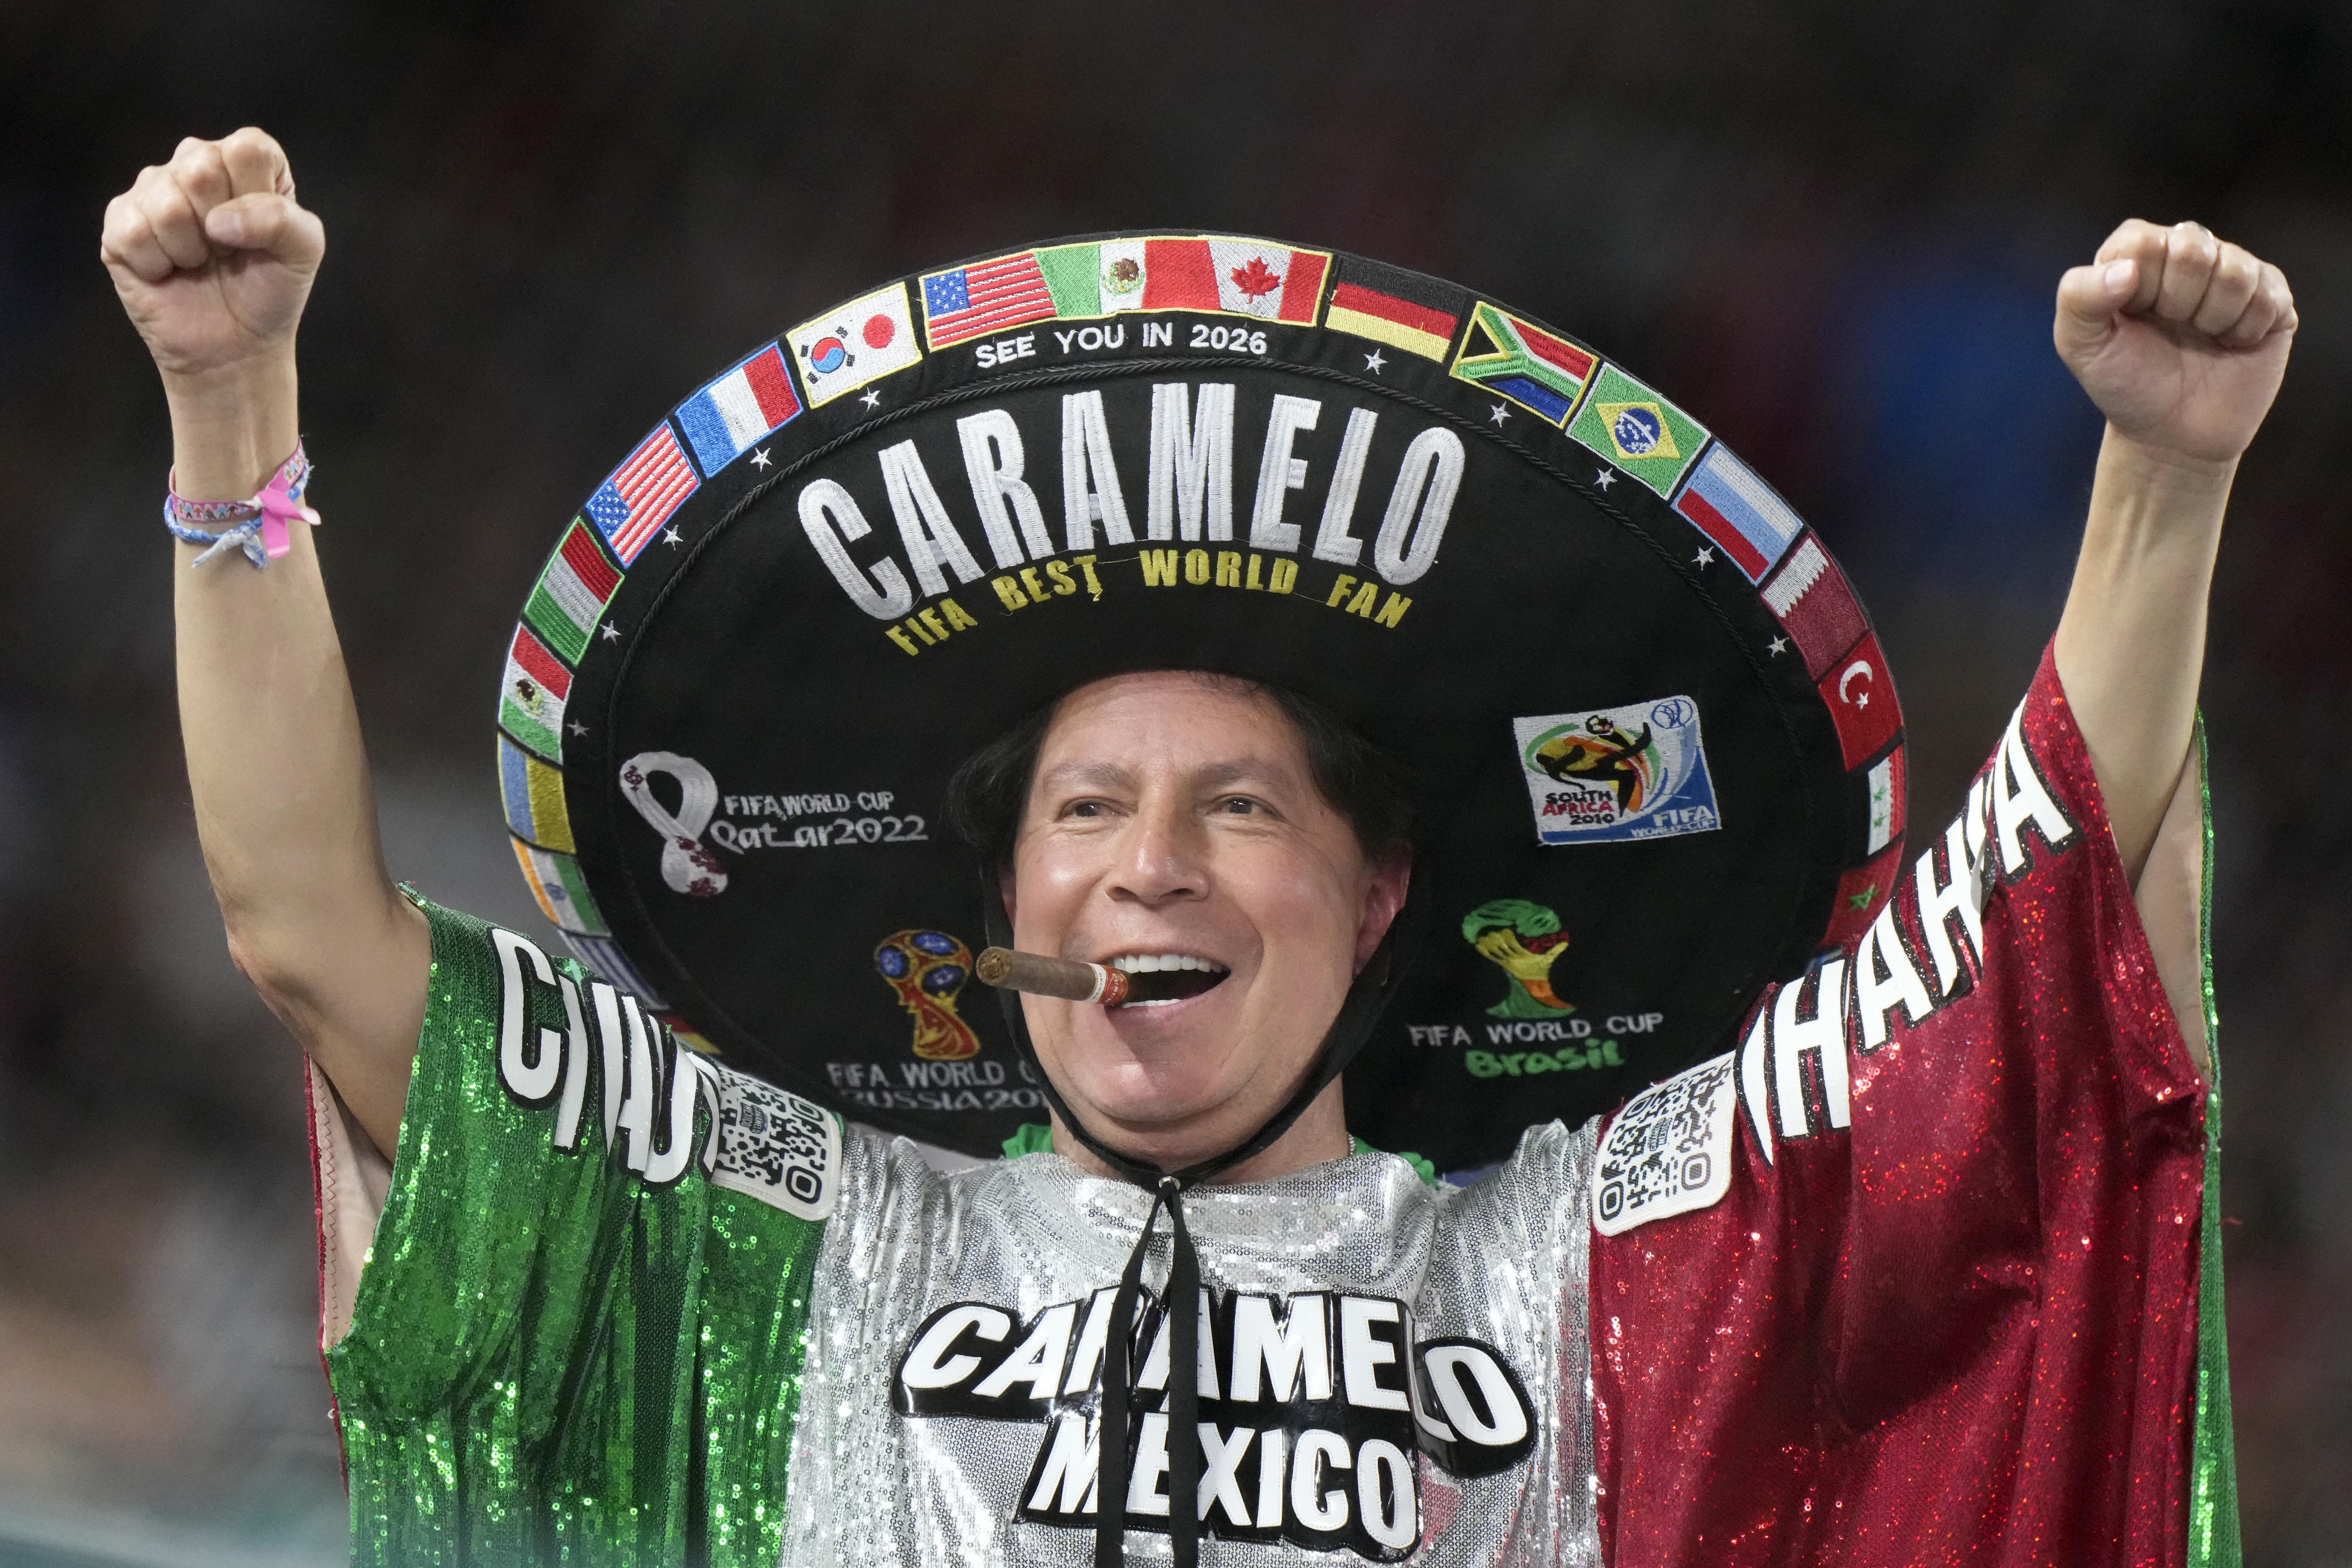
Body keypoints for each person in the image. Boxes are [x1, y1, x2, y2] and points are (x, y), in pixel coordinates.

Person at [102, 127, 2295, 1567]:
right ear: (1005, 911)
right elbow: (308, 932)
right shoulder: (791, 1229)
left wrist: (2163, 484)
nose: (1148, 864)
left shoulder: (1581, 1258)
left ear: (1379, 895)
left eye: (1238, 807)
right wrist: (230, 414)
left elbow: (2037, 969)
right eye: (1085, 808)